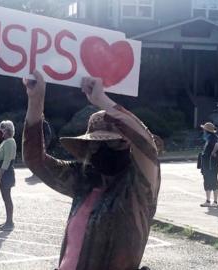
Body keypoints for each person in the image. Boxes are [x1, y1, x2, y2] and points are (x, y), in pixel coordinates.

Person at [22, 71, 160, 270]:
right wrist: (36, 101)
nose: (102, 149)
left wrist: (102, 100)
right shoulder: (83, 180)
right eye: (95, 145)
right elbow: (36, 160)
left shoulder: (139, 190)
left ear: (128, 146)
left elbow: (146, 143)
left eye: (112, 143)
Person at [0, 120, 17, 231]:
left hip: (6, 173)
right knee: (6, 198)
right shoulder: (6, 142)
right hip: (5, 173)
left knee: (7, 198)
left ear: (7, 131)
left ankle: (9, 222)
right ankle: (8, 221)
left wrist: (0, 175)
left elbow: (6, 161)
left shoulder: (10, 142)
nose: (1, 132)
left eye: (2, 130)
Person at [199, 122, 218, 208]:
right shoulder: (209, 138)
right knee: (207, 181)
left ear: (207, 130)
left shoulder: (212, 137)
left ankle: (215, 201)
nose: (203, 130)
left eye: (204, 129)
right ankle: (208, 201)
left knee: (213, 181)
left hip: (211, 164)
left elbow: (217, 145)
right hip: (208, 163)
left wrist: (213, 152)